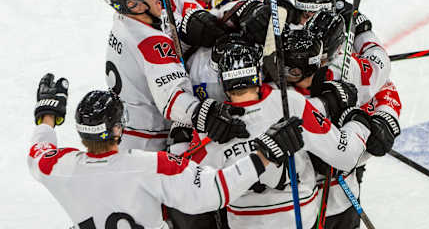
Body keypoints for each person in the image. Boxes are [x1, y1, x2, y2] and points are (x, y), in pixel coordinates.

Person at [28, 73, 305, 229]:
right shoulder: (152, 165)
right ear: (117, 130)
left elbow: (38, 150)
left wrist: (48, 114)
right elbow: (217, 189)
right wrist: (266, 152)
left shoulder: (58, 167)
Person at [185, 37, 373, 229]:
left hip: (244, 223)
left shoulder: (210, 126)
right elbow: (344, 155)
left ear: (223, 83)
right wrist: (358, 122)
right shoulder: (290, 103)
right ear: (257, 74)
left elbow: (192, 191)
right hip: (298, 219)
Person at [101, 0, 251, 152]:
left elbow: (170, 27)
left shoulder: (127, 18)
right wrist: (206, 114)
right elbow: (171, 98)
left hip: (127, 131)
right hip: (150, 143)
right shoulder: (150, 42)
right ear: (134, 4)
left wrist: (193, 26)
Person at [281, 20, 401, 228]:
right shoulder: (279, 78)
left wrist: (385, 120)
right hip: (296, 206)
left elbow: (383, 81)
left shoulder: (348, 65)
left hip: (343, 196)